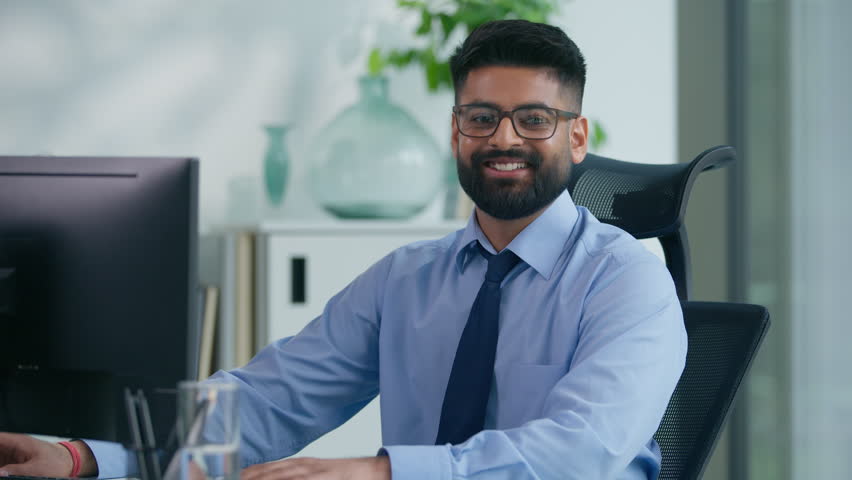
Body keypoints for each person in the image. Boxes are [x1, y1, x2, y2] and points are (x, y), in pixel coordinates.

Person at [0, 19, 685, 480]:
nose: (504, 138)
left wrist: (380, 472)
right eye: (481, 118)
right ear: (456, 133)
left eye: (534, 119)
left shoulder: (628, 281)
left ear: (576, 137)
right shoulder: (406, 279)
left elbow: (580, 451)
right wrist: (88, 458)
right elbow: (270, 400)